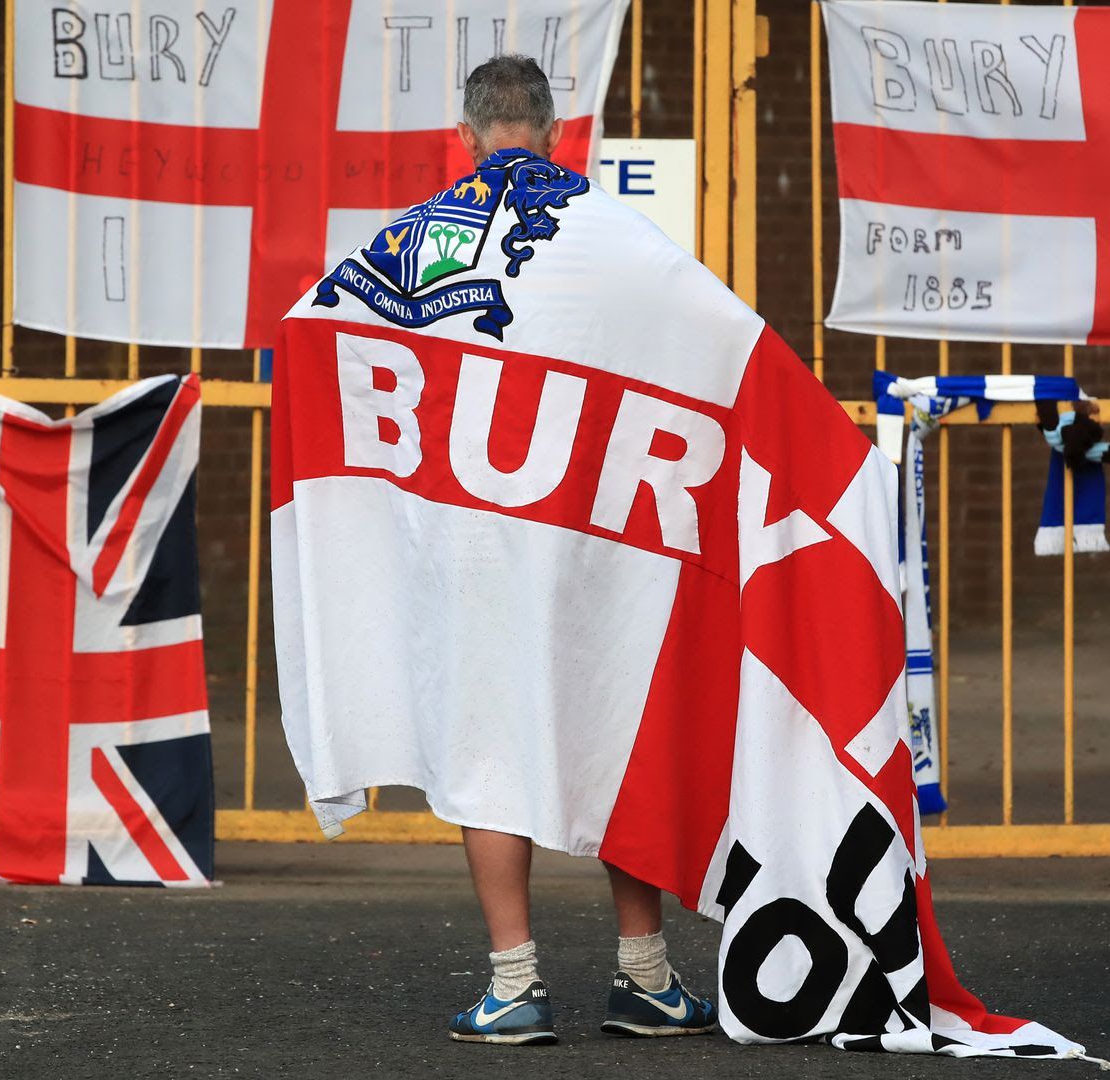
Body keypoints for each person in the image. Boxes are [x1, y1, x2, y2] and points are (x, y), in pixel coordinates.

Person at [434, 54, 716, 1047]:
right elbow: (710, 344)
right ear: (558, 136)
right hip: (604, 523)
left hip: (486, 531)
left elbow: (332, 335)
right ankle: (644, 977)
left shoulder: (423, 241)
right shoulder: (618, 233)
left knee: (491, 743)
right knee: (614, 732)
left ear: (465, 138)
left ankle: (515, 984)